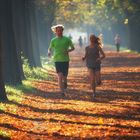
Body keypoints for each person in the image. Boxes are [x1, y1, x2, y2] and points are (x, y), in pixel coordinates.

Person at [48, 24, 75, 96]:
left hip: (65, 60)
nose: (59, 32)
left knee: (64, 76)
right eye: (58, 31)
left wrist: (68, 51)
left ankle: (65, 81)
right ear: (55, 31)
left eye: (61, 30)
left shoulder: (67, 39)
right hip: (57, 60)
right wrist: (49, 52)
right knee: (60, 76)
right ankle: (62, 92)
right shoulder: (53, 40)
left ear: (62, 31)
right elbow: (50, 48)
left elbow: (73, 48)